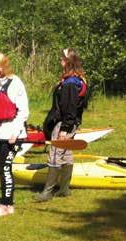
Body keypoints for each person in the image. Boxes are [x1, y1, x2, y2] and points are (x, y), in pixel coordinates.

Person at [34, 48, 87, 202]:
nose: (60, 60)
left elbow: (70, 108)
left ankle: (47, 192)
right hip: (70, 123)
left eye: (62, 58)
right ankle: (64, 189)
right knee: (67, 154)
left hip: (64, 124)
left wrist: (64, 129)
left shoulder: (70, 83)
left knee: (55, 155)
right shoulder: (78, 79)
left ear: (69, 61)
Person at [0, 53, 29, 217]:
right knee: (3, 169)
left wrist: (15, 132)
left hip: (14, 135)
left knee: (5, 168)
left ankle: (6, 205)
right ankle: (7, 204)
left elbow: (23, 111)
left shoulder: (15, 83)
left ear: (5, 66)